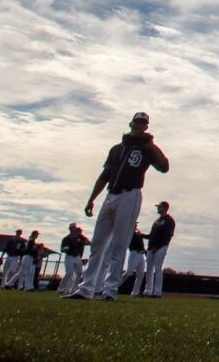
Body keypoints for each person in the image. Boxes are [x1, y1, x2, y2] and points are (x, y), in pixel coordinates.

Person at [65, 111, 169, 301]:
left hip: (130, 194)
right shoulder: (116, 149)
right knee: (98, 243)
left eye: (143, 123)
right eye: (137, 121)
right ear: (131, 123)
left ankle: (110, 290)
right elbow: (105, 176)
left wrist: (151, 146)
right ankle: (86, 288)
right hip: (111, 194)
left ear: (147, 126)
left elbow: (164, 167)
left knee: (119, 244)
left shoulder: (147, 148)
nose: (139, 125)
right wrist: (91, 199)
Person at [144, 201, 175, 298]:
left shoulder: (169, 220)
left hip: (161, 247)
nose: (158, 208)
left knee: (157, 268)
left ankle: (157, 292)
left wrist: (157, 247)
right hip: (151, 248)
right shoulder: (157, 221)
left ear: (165, 208)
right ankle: (148, 291)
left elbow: (168, 236)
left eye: (159, 207)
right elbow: (151, 235)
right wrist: (139, 235)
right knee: (149, 269)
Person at [58, 224, 88, 293]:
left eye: (74, 228)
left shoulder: (79, 237)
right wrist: (65, 249)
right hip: (69, 256)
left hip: (77, 257)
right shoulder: (66, 238)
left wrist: (82, 242)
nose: (73, 229)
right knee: (69, 273)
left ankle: (73, 289)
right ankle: (61, 289)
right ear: (70, 229)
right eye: (72, 228)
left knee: (79, 273)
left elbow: (86, 242)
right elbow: (62, 249)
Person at [126, 227, 149, 296]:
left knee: (140, 275)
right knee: (128, 273)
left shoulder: (137, 232)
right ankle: (112, 286)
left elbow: (141, 245)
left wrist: (146, 253)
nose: (136, 225)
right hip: (134, 253)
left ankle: (135, 293)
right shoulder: (129, 233)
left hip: (141, 254)